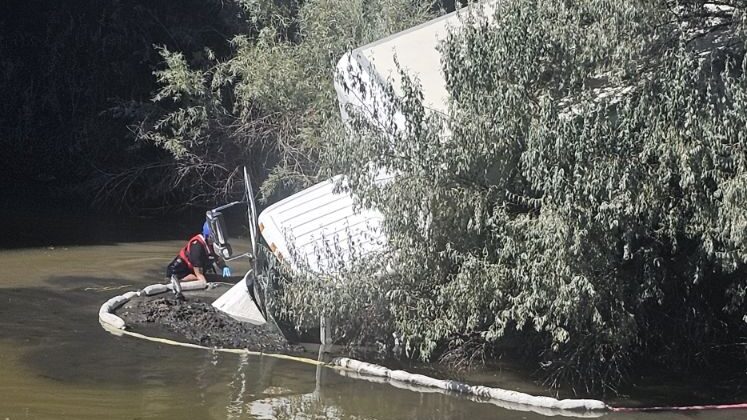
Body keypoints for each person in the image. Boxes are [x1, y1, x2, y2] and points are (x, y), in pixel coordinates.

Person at [167, 221, 231, 299]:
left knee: (215, 278)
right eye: (215, 238)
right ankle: (176, 282)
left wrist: (224, 267)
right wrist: (207, 287)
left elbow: (218, 258)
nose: (217, 241)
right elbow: (199, 274)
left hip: (193, 269)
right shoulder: (197, 247)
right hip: (178, 270)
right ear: (208, 236)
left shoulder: (214, 245)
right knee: (203, 280)